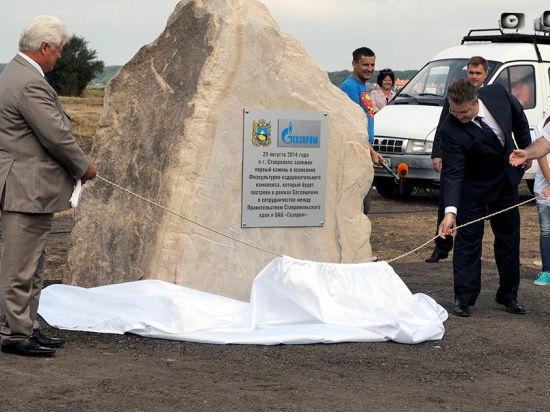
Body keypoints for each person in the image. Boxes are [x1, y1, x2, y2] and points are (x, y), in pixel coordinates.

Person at [0, 15, 97, 357]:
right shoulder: (29, 82)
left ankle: (27, 326)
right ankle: (14, 333)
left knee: (34, 261)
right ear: (44, 48)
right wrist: (83, 165)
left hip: (31, 188)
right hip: (25, 187)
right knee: (19, 264)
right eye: (58, 50)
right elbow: (56, 135)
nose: (60, 57)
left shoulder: (19, 74)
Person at [438, 78, 531, 317]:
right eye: (454, 112)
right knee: (468, 242)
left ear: (476, 101)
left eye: (464, 112)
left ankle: (509, 295)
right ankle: (464, 297)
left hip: (505, 183)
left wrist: (526, 150)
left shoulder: (498, 95)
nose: (459, 117)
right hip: (472, 188)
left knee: (509, 241)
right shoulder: (449, 129)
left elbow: (519, 120)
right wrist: (450, 213)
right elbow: (454, 172)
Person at [426, 56, 489, 263]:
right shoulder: (455, 95)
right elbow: (443, 123)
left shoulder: (491, 94)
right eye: (471, 72)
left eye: (478, 73)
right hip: (453, 157)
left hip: (478, 163)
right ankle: (441, 245)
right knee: (447, 199)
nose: (474, 76)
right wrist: (437, 152)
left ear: (485, 74)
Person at [340, 47, 384, 215]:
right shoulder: (350, 87)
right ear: (354, 64)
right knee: (359, 206)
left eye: (372, 64)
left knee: (365, 206)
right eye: (365, 64)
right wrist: (370, 151)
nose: (370, 68)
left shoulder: (363, 86)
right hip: (355, 152)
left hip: (364, 149)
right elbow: (352, 127)